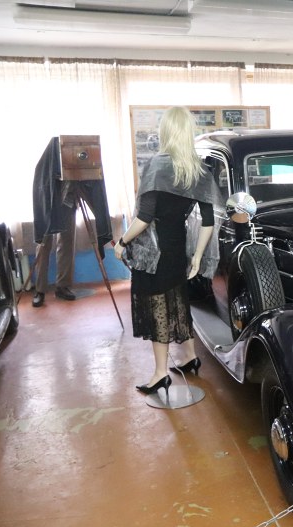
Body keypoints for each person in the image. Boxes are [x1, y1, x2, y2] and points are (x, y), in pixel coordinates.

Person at [114, 107, 216, 398]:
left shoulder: (158, 167)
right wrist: (197, 257)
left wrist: (122, 242)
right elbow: (208, 220)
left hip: (154, 252)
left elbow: (144, 219)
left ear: (166, 132)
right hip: (177, 247)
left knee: (158, 307)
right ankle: (190, 357)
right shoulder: (198, 170)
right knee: (178, 300)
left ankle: (160, 374)